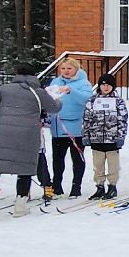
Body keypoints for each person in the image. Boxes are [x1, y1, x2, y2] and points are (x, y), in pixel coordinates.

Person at [0, 63, 59, 219]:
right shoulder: (38, 92)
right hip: (27, 134)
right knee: (24, 169)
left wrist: (2, 118)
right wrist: (57, 99)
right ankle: (20, 207)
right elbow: (54, 107)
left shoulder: (4, 89)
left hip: (2, 132)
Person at [46, 59, 95, 197]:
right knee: (57, 159)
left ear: (76, 70)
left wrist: (71, 91)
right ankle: (57, 185)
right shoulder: (55, 82)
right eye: (63, 68)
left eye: (69, 68)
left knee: (77, 159)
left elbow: (87, 100)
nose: (66, 71)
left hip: (75, 128)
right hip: (57, 127)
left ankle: (76, 186)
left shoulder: (83, 83)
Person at [83, 75, 129, 201]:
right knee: (98, 165)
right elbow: (87, 119)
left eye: (108, 85)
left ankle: (112, 187)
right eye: (103, 84)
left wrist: (121, 136)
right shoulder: (92, 101)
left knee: (113, 165)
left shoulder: (118, 101)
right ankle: (99, 186)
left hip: (112, 139)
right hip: (96, 138)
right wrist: (86, 135)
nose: (106, 87)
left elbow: (123, 120)